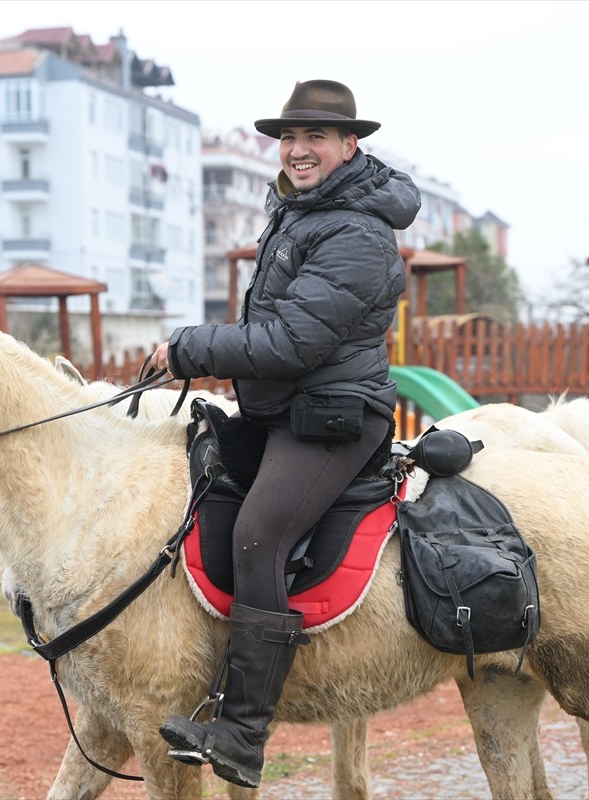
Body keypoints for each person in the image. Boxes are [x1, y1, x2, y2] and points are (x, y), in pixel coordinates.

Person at [149, 79, 421, 788]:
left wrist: (191, 347)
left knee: (259, 534)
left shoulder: (355, 230)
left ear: (349, 145)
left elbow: (291, 341)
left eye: (316, 139)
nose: (298, 150)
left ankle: (241, 734)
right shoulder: (303, 210)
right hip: (284, 413)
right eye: (290, 138)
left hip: (334, 417)